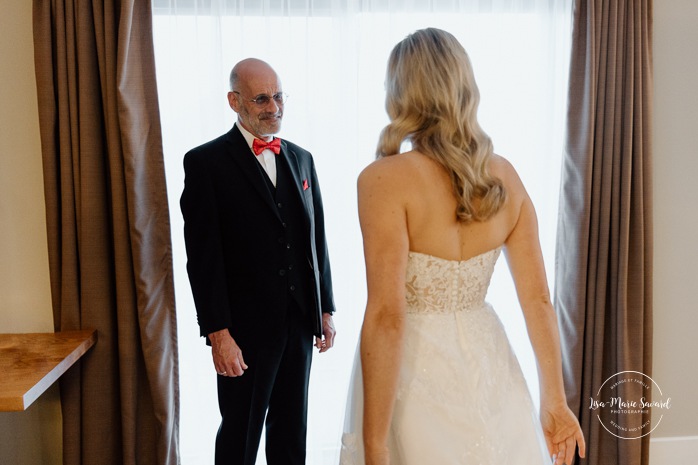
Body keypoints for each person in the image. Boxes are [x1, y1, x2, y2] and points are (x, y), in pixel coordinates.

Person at [339, 28, 585, 465]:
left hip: (413, 373)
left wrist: (374, 444)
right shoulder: (505, 176)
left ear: (400, 94)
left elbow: (388, 315)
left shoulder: (383, 180)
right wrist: (555, 401)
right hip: (489, 362)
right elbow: (538, 301)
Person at [180, 58, 337, 465]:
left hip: (299, 322)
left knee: (291, 431)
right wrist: (219, 334)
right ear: (235, 101)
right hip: (243, 331)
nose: (274, 107)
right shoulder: (205, 163)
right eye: (262, 98)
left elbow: (315, 240)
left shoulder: (302, 158)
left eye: (279, 96)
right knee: (240, 434)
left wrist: (324, 308)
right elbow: (203, 258)